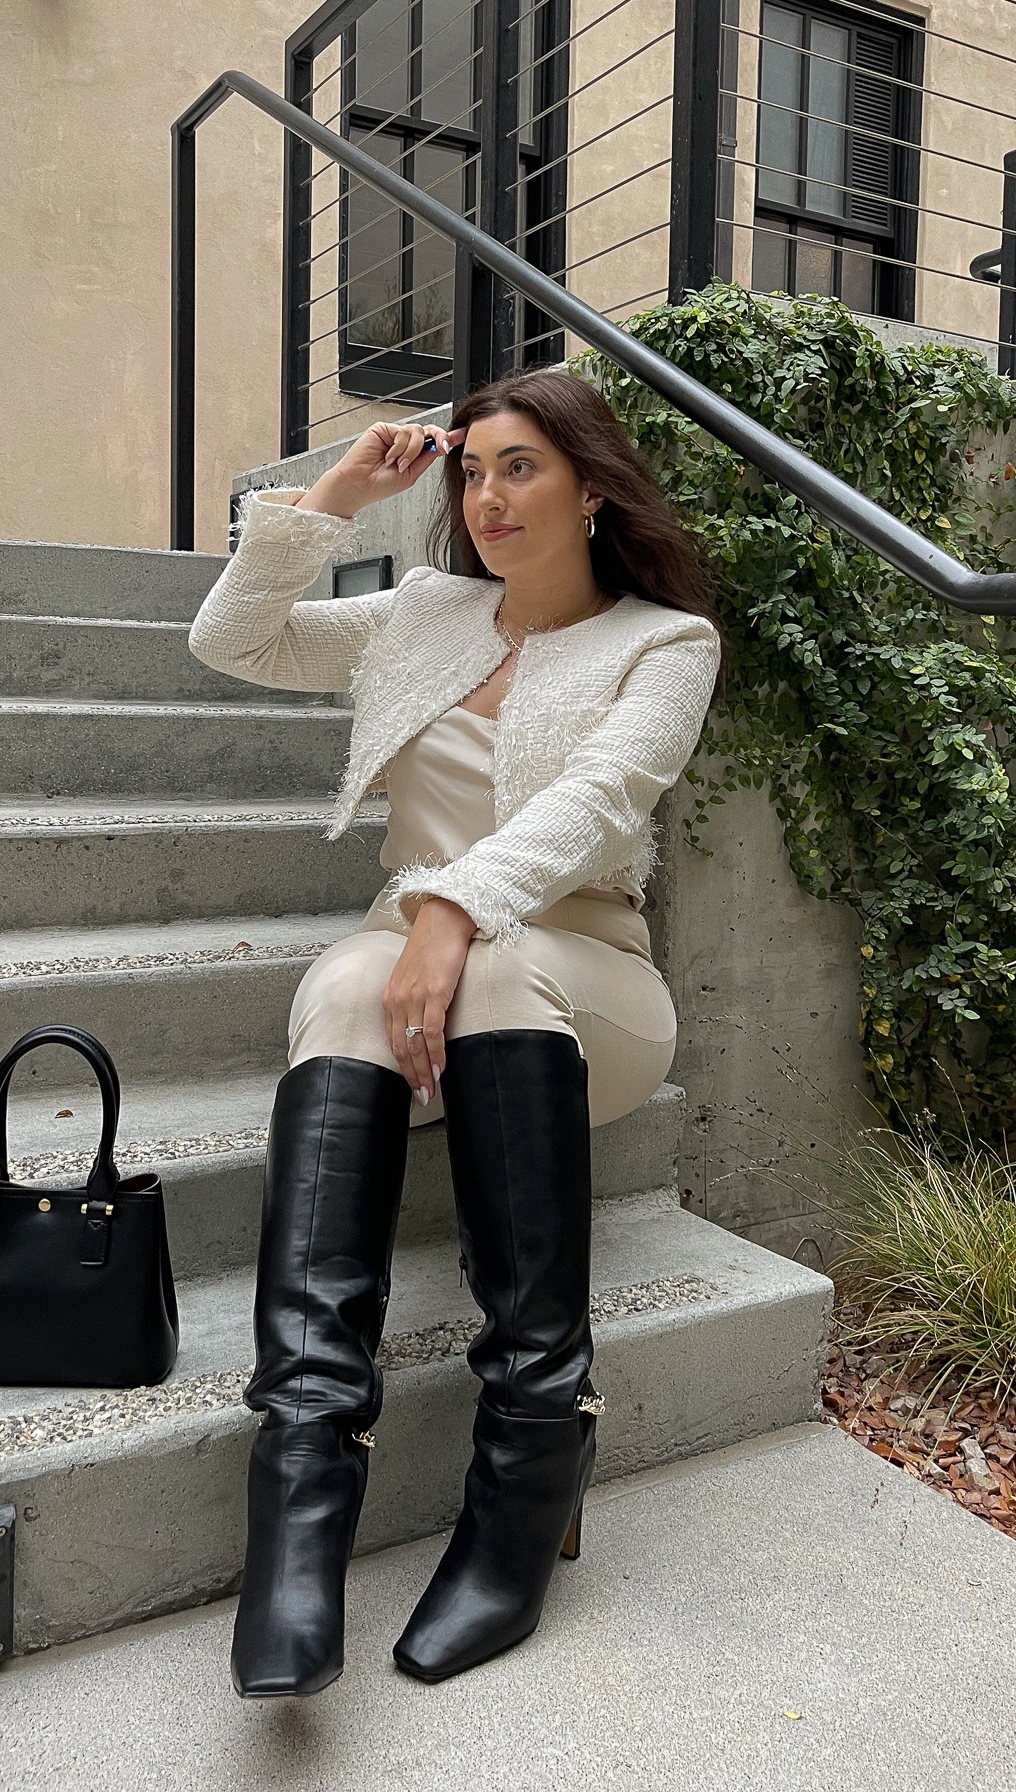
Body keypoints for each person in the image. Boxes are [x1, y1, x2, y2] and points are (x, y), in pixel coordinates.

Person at [188, 368, 726, 1698]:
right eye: (472, 471)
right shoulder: (424, 614)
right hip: (411, 961)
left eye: (522, 468)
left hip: (583, 973)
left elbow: (600, 805)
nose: (487, 497)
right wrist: (328, 501)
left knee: (481, 968)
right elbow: (234, 640)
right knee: (336, 987)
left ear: (592, 485)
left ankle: (536, 1449)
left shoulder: (663, 643)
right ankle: (304, 1484)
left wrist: (450, 908)